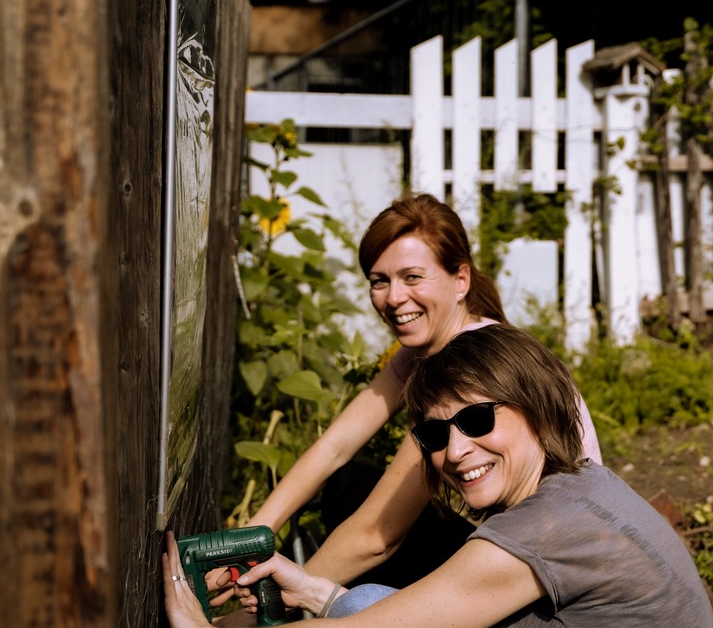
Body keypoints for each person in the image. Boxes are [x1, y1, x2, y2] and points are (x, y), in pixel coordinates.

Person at [163, 324, 713, 628]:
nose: (455, 450)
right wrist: (313, 592)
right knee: (359, 602)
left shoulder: (544, 532)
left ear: (535, 409)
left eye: (479, 420)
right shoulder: (575, 488)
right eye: (437, 432)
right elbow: (365, 626)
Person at [232, 193, 603, 591]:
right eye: (380, 280)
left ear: (461, 280)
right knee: (349, 483)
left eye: (412, 277)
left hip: (554, 576)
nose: (393, 299)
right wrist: (244, 544)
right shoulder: (422, 351)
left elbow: (376, 538)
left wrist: (267, 606)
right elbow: (332, 449)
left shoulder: (466, 367)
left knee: (369, 522)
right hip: (522, 550)